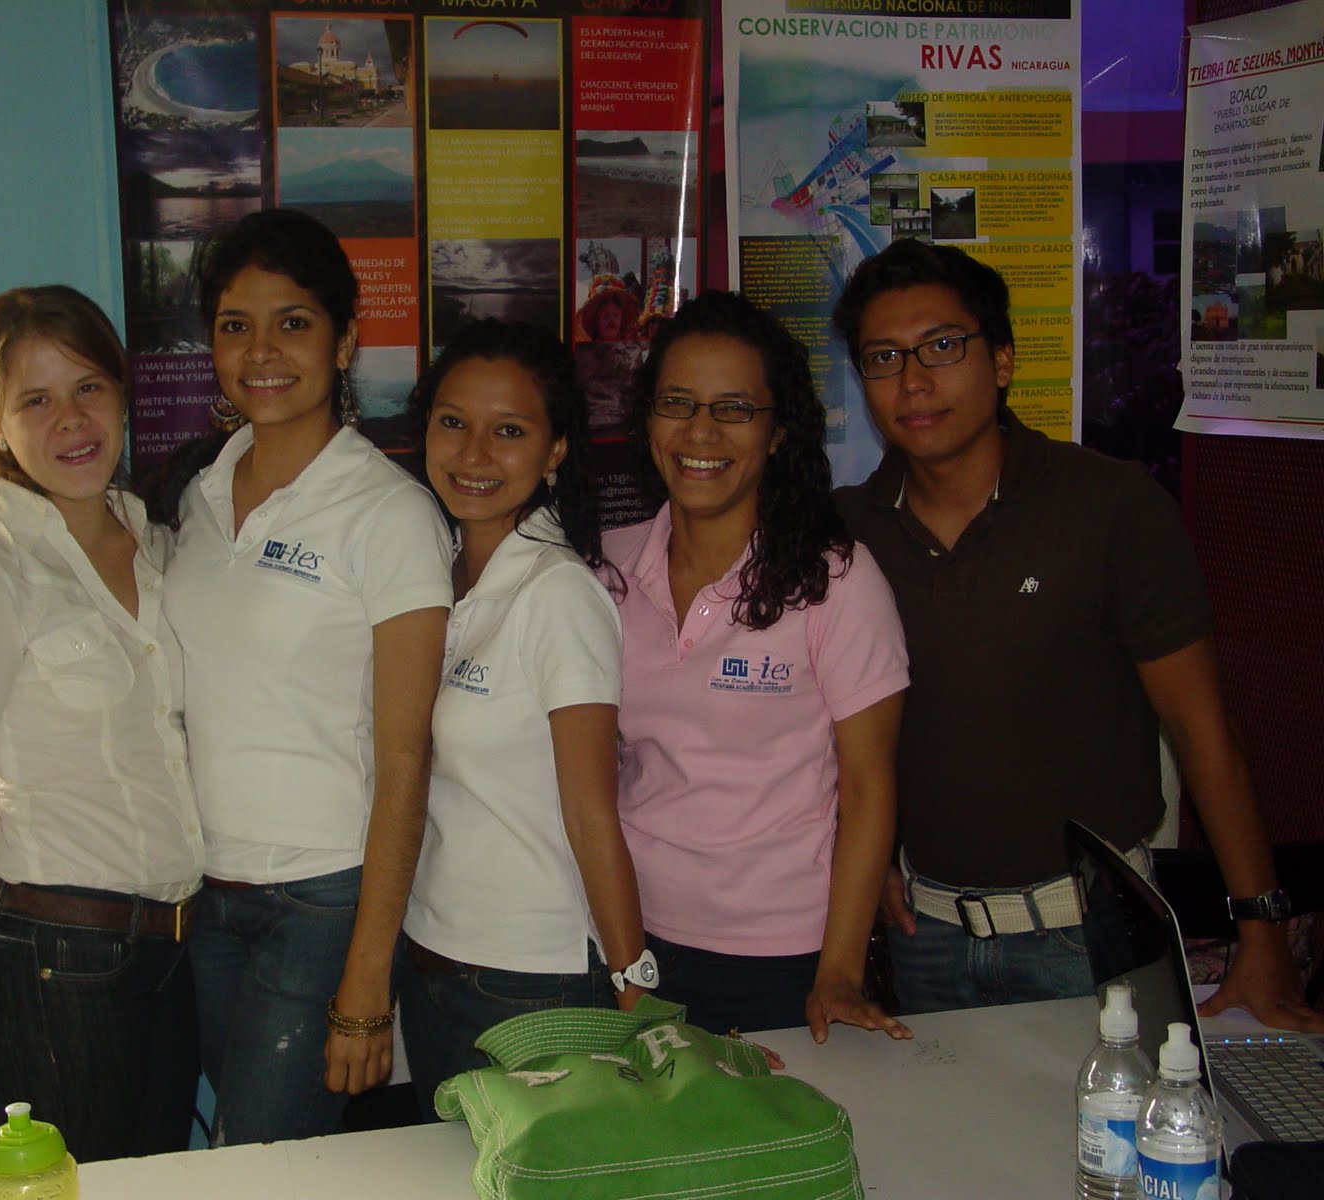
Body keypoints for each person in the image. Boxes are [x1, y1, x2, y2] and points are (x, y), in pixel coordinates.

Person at [831, 238, 1323, 1032]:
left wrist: (1260, 929)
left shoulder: (1111, 508)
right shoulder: (848, 531)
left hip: (1089, 936)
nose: (913, 380)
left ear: (1002, 361)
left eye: (942, 346)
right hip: (926, 938)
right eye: (883, 357)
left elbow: (1201, 730)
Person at [153, 210, 452, 1144]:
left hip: (321, 899)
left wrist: (366, 979)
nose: (261, 352)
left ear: (345, 340)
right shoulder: (199, 494)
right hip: (208, 895)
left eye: (293, 322)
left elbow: (407, 759)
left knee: (261, 1159)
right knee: (250, 1153)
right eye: (235, 325)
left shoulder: (388, 514)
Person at [0, 285, 202, 1160]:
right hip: (56, 961)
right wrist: (46, 887)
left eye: (88, 388)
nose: (71, 420)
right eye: (36, 400)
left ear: (122, 393)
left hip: (173, 948)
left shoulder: (156, 541)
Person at [607, 289, 913, 1042]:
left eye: (735, 408)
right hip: (625, 940)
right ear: (647, 418)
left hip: (783, 955)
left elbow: (869, 787)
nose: (700, 431)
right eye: (677, 402)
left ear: (778, 433)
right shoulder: (605, 569)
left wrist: (839, 970)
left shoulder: (836, 580)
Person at [397, 319, 648, 1118]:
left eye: (509, 431)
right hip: (430, 958)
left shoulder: (558, 594)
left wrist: (635, 985)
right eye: (453, 422)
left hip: (530, 982)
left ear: (556, 450)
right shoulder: (434, 579)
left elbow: (592, 811)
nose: (474, 454)